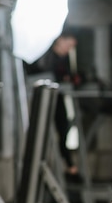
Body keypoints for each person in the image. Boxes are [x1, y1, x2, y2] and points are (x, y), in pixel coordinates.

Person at [26, 32, 81, 180]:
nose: (68, 49)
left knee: (65, 126)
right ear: (60, 39)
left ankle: (69, 164)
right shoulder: (42, 56)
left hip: (55, 99)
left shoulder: (62, 60)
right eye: (68, 45)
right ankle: (67, 165)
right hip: (41, 100)